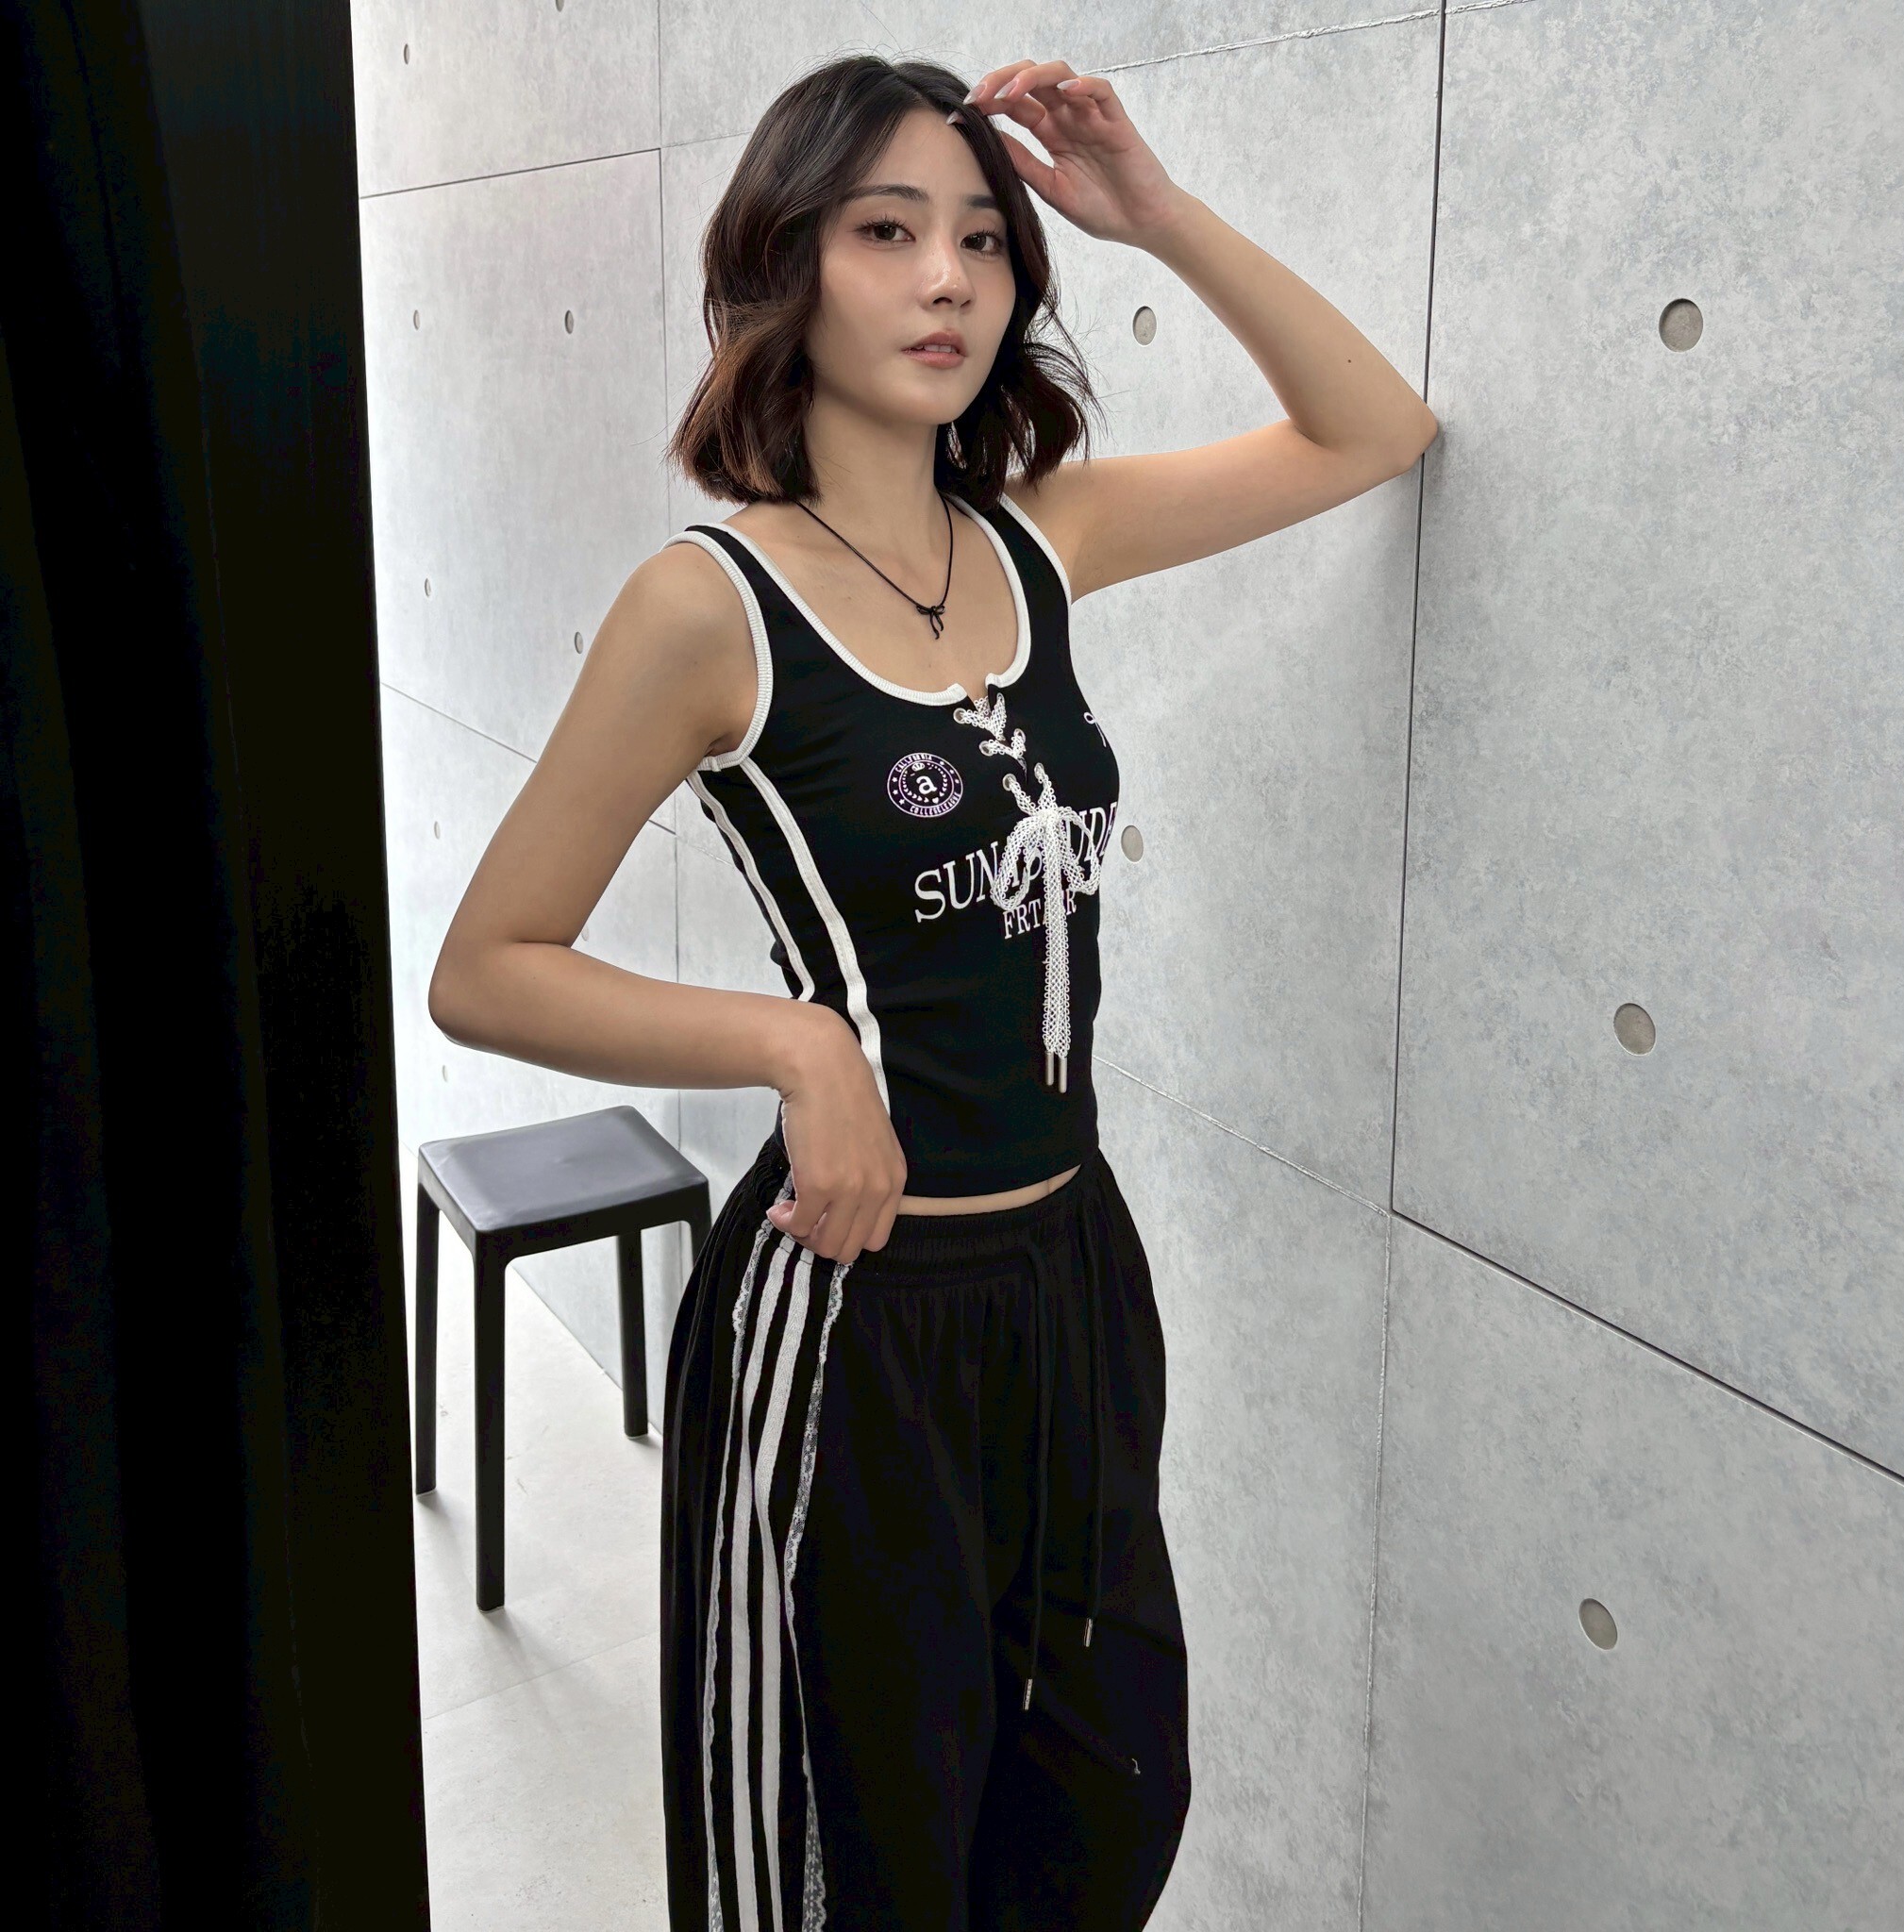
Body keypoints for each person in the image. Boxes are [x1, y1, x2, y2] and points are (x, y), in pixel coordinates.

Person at [428, 49, 1436, 1932]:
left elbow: (1373, 431)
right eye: (888, 232)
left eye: (981, 238)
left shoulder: (1045, 537)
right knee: (859, 1867)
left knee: (1100, 1801)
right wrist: (791, 1041)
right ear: (788, 262)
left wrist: (1153, 216)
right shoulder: (708, 607)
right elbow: (485, 968)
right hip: (852, 1327)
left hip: (1071, 1282)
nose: (948, 279)